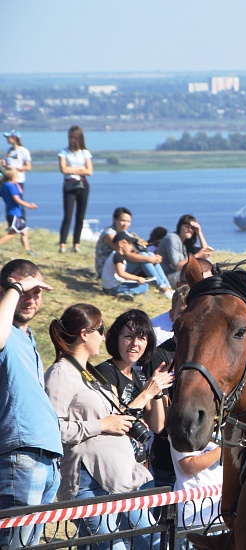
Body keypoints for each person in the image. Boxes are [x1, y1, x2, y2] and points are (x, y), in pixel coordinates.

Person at [44, 303, 158, 550]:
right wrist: (102, 424)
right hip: (86, 482)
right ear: (84, 334)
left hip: (117, 476)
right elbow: (53, 430)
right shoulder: (60, 373)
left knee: (150, 540)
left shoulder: (88, 373)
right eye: (100, 330)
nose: (104, 337)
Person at [0, 259, 62, 549]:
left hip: (45, 456)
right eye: (23, 290)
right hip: (20, 454)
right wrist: (15, 288)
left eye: (36, 292)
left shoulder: (27, 336)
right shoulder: (4, 329)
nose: (30, 298)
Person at [94, 309, 173, 463]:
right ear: (116, 338)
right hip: (111, 462)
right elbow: (115, 418)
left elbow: (157, 426)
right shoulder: (105, 371)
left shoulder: (140, 376)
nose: (135, 344)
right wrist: (146, 394)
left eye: (142, 338)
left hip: (137, 464)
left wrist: (156, 390)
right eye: (128, 337)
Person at [95, 207, 174, 298]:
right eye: (123, 220)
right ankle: (162, 288)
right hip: (110, 270)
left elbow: (134, 249)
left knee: (149, 255)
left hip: (122, 265)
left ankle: (167, 287)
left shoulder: (125, 233)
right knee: (145, 257)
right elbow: (126, 254)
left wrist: (153, 257)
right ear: (114, 219)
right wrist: (150, 259)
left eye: (128, 221)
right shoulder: (109, 234)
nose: (126, 224)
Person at [58, 125, 93, 254]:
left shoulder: (85, 152)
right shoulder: (63, 151)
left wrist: (72, 169)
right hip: (69, 185)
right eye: (70, 137)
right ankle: (62, 244)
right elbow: (63, 169)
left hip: (83, 185)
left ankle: (76, 244)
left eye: (74, 138)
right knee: (67, 216)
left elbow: (89, 171)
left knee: (80, 216)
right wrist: (80, 169)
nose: (72, 140)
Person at [156, 214, 211, 287]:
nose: (189, 229)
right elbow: (177, 266)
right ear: (180, 226)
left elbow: (206, 253)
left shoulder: (185, 242)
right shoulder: (172, 239)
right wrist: (197, 256)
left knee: (206, 261)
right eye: (186, 226)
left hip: (178, 275)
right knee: (198, 272)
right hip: (168, 277)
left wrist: (199, 232)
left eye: (192, 228)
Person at [100, 232, 150, 301]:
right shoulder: (118, 256)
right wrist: (137, 278)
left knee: (140, 285)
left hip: (108, 287)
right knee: (144, 286)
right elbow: (121, 273)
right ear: (121, 244)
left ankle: (125, 293)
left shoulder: (115, 254)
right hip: (113, 288)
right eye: (129, 244)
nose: (131, 247)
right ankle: (127, 293)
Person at [0, 167, 37, 254]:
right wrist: (29, 205)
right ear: (13, 177)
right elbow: (16, 199)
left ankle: (28, 250)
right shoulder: (11, 186)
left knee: (24, 231)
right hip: (14, 213)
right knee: (11, 234)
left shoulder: (4, 186)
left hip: (12, 212)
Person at [2, 130, 31, 220]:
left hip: (17, 180)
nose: (7, 139)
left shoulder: (23, 151)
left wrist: (16, 168)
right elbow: (7, 164)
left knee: (19, 202)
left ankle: (22, 223)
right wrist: (4, 165)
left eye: (8, 137)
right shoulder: (8, 150)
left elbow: (28, 167)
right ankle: (11, 222)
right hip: (7, 181)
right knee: (9, 202)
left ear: (14, 138)